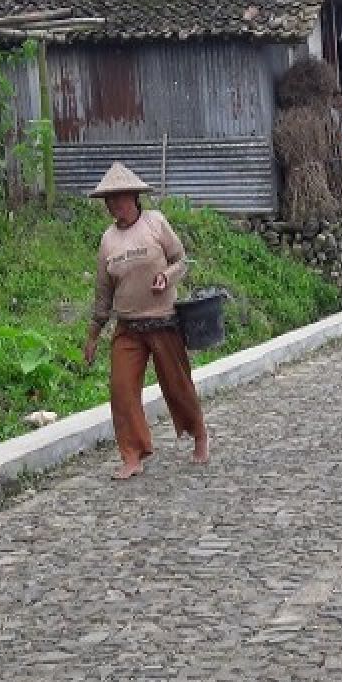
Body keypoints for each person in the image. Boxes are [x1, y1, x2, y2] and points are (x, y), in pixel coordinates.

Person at [82, 162, 209, 480]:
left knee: (178, 386)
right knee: (121, 390)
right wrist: (93, 334)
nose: (114, 204)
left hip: (163, 322)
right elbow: (103, 292)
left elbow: (181, 260)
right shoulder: (108, 240)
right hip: (128, 328)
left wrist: (167, 276)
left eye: (120, 197)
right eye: (109, 199)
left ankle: (199, 434)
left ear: (134, 197)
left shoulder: (155, 222)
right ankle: (132, 454)